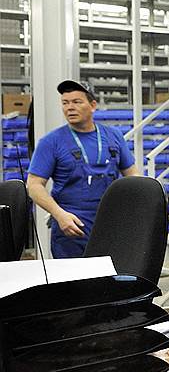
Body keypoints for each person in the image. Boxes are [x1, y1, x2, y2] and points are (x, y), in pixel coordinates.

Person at [26, 80, 138, 258]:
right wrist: (59, 215)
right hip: (71, 228)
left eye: (76, 102)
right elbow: (33, 185)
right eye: (65, 103)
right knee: (73, 276)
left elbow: (133, 176)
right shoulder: (51, 142)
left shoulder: (113, 136)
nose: (70, 108)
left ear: (92, 105)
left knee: (110, 275)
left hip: (110, 224)